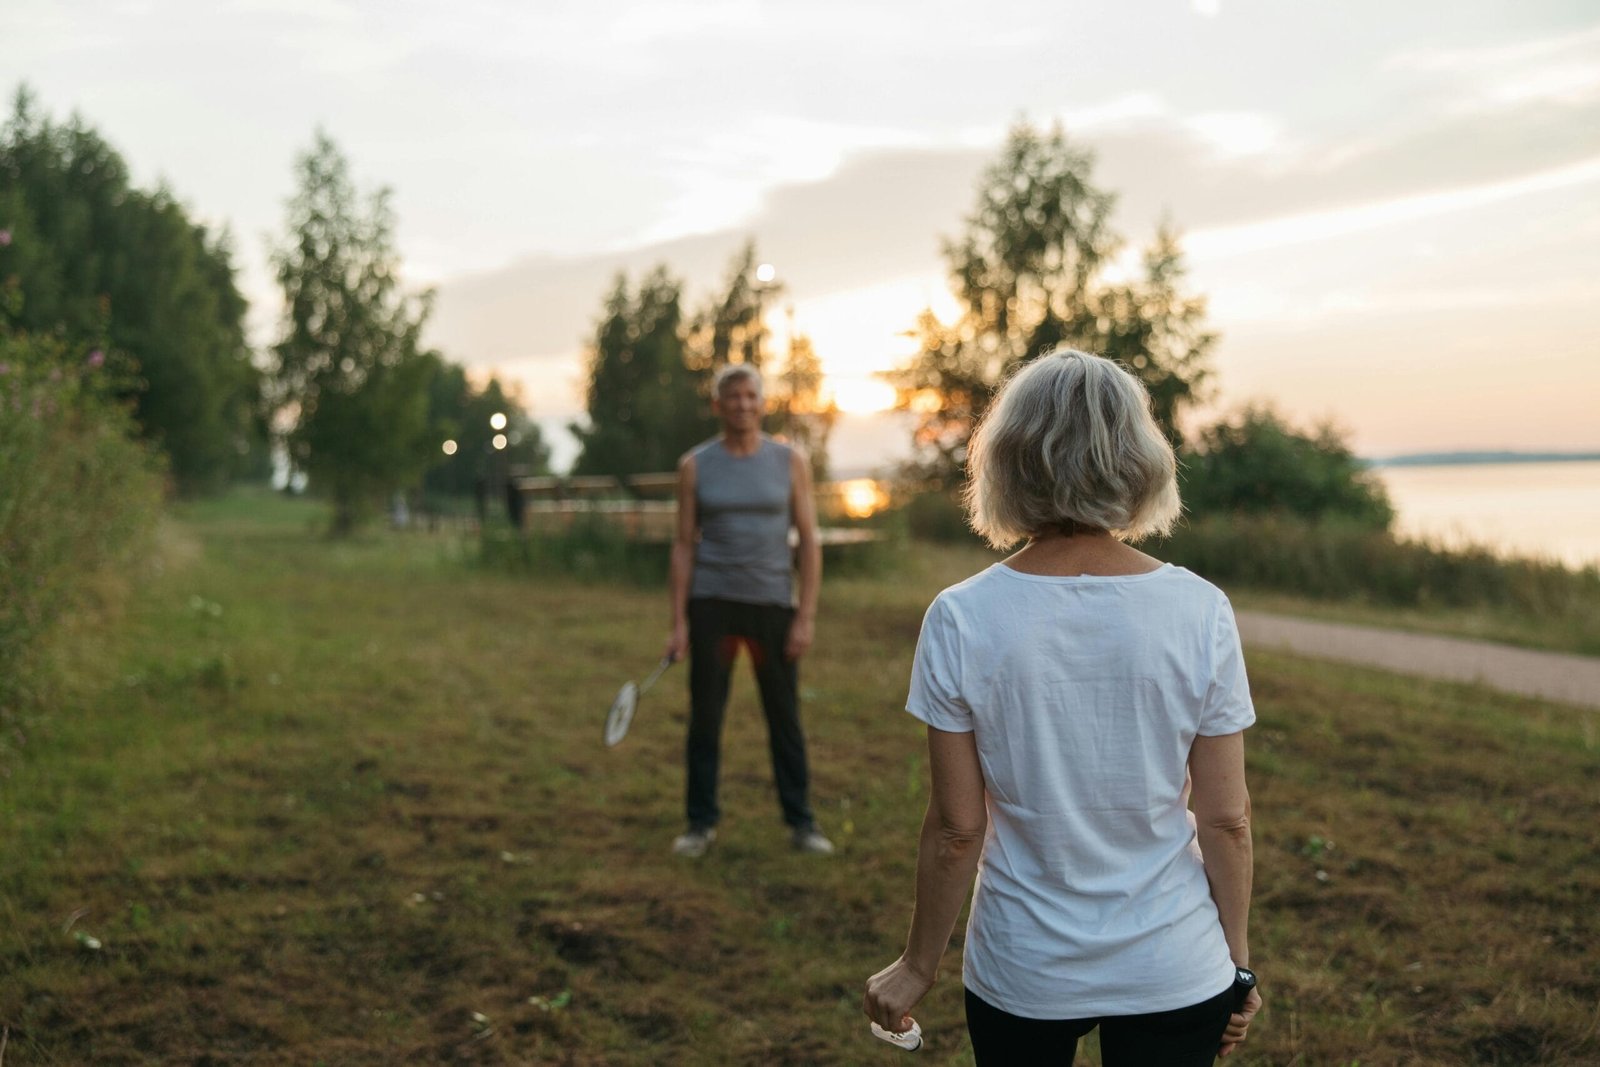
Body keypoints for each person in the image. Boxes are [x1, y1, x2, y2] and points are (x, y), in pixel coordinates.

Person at [863, 349, 1263, 1064]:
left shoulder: (962, 616)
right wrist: (1235, 966)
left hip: (1024, 966)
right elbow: (1227, 819)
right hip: (1175, 963)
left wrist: (919, 964)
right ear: (1138, 458)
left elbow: (958, 827)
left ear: (1008, 459)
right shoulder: (1200, 609)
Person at [664, 362, 833, 858]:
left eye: (750, 396)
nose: (742, 404)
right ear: (717, 406)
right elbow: (682, 546)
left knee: (784, 715)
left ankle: (801, 822)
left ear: (762, 403)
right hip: (712, 604)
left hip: (772, 605)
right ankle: (699, 823)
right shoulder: (694, 465)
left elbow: (809, 540)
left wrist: (805, 614)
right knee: (705, 718)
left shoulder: (789, 461)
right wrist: (677, 622)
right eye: (731, 396)